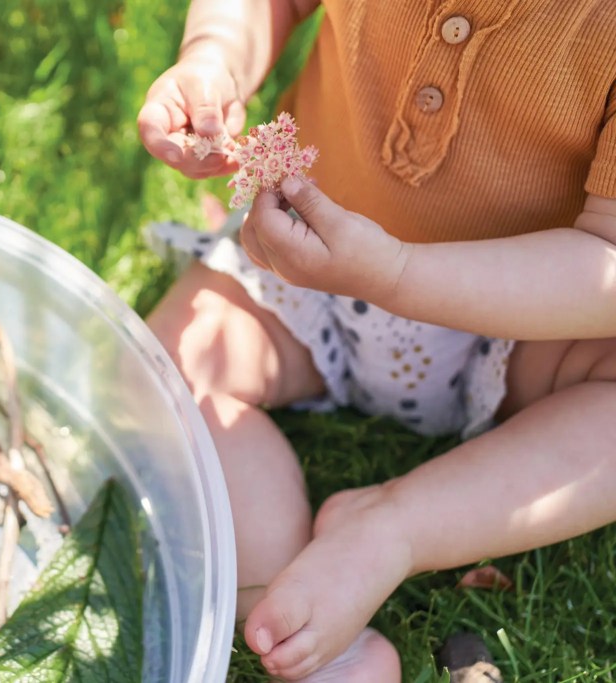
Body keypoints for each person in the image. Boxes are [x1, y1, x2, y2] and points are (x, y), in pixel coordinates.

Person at [136, 0, 616, 680]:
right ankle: (289, 602)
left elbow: (605, 264)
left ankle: (396, 526)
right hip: (304, 268)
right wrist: (215, 57)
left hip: (523, 322)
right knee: (166, 375)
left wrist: (398, 272)